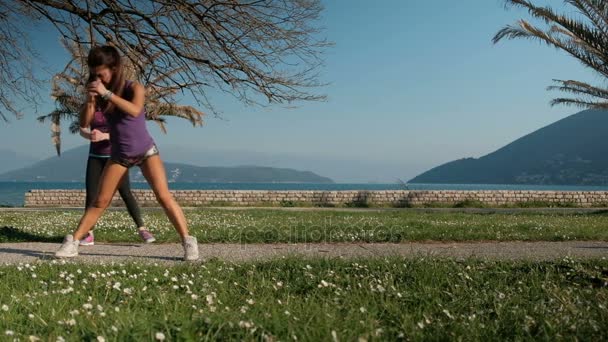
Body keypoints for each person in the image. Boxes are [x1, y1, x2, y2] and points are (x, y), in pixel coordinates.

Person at [55, 45, 198, 261]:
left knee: (163, 196)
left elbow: (135, 110)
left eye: (101, 73)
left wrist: (106, 93)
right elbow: (84, 122)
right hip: (120, 155)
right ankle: (73, 242)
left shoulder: (134, 88)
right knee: (100, 201)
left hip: (147, 151)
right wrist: (91, 100)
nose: (98, 78)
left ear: (114, 68)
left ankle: (188, 241)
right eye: (94, 74)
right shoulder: (100, 95)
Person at [78, 93, 156, 245]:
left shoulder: (116, 106)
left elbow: (125, 132)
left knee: (125, 192)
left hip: (116, 157)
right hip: (95, 156)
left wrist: (105, 136)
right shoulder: (90, 106)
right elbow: (82, 128)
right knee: (91, 195)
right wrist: (89, 135)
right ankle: (88, 234)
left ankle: (142, 229)